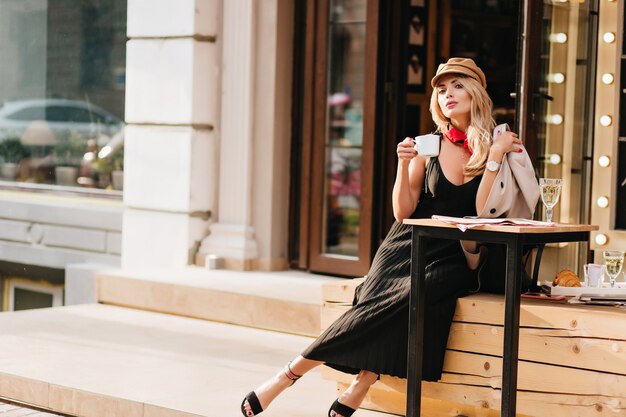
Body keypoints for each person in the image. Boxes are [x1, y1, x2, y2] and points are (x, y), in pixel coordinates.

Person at [241, 57, 538, 417]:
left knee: (414, 297)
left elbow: (480, 210)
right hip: (407, 243)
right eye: (442, 90)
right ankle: (324, 378)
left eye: (457, 86)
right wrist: (402, 163)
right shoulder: (428, 145)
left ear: (476, 93)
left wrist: (492, 156)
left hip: (455, 252)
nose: (448, 95)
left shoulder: (498, 142)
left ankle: (299, 376)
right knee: (375, 301)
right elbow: (402, 210)